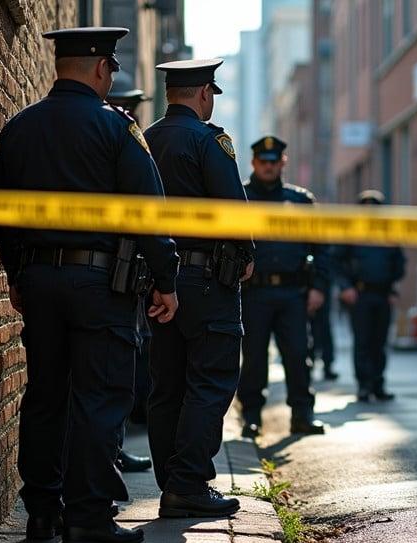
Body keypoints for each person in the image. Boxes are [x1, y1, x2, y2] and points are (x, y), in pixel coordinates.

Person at [0, 27, 179, 543]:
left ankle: (43, 511)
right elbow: (148, 212)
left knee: (47, 392)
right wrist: (166, 281)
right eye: (112, 69)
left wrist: (17, 276)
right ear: (100, 68)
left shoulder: (18, 129)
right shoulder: (116, 128)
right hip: (100, 284)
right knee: (101, 395)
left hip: (39, 279)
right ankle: (89, 517)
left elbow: (0, 218)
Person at [143, 59, 254, 517]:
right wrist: (245, 254)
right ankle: (188, 484)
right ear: (205, 93)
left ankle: (171, 483)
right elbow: (233, 208)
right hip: (208, 280)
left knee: (166, 385)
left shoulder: (144, 138)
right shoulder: (211, 141)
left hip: (157, 280)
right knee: (209, 381)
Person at [238, 136, 329, 438]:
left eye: (273, 161)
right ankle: (251, 417)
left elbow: (322, 247)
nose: (268, 166)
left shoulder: (301, 201)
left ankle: (302, 415)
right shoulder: (241, 197)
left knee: (298, 354)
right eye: (263, 162)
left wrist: (318, 287)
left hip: (294, 293)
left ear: (282, 163)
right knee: (253, 357)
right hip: (254, 292)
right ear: (254, 163)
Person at [106, 71, 154, 474]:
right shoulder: (120, 133)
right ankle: (106, 462)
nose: (133, 114)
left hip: (123, 268)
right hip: (111, 274)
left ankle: (45, 503)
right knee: (111, 377)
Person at [333, 190, 406, 402]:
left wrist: (392, 287)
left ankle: (378, 384)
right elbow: (336, 262)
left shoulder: (388, 235)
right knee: (363, 342)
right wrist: (345, 287)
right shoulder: (351, 234)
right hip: (360, 295)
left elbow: (399, 263)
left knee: (380, 342)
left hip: (383, 295)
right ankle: (364, 386)